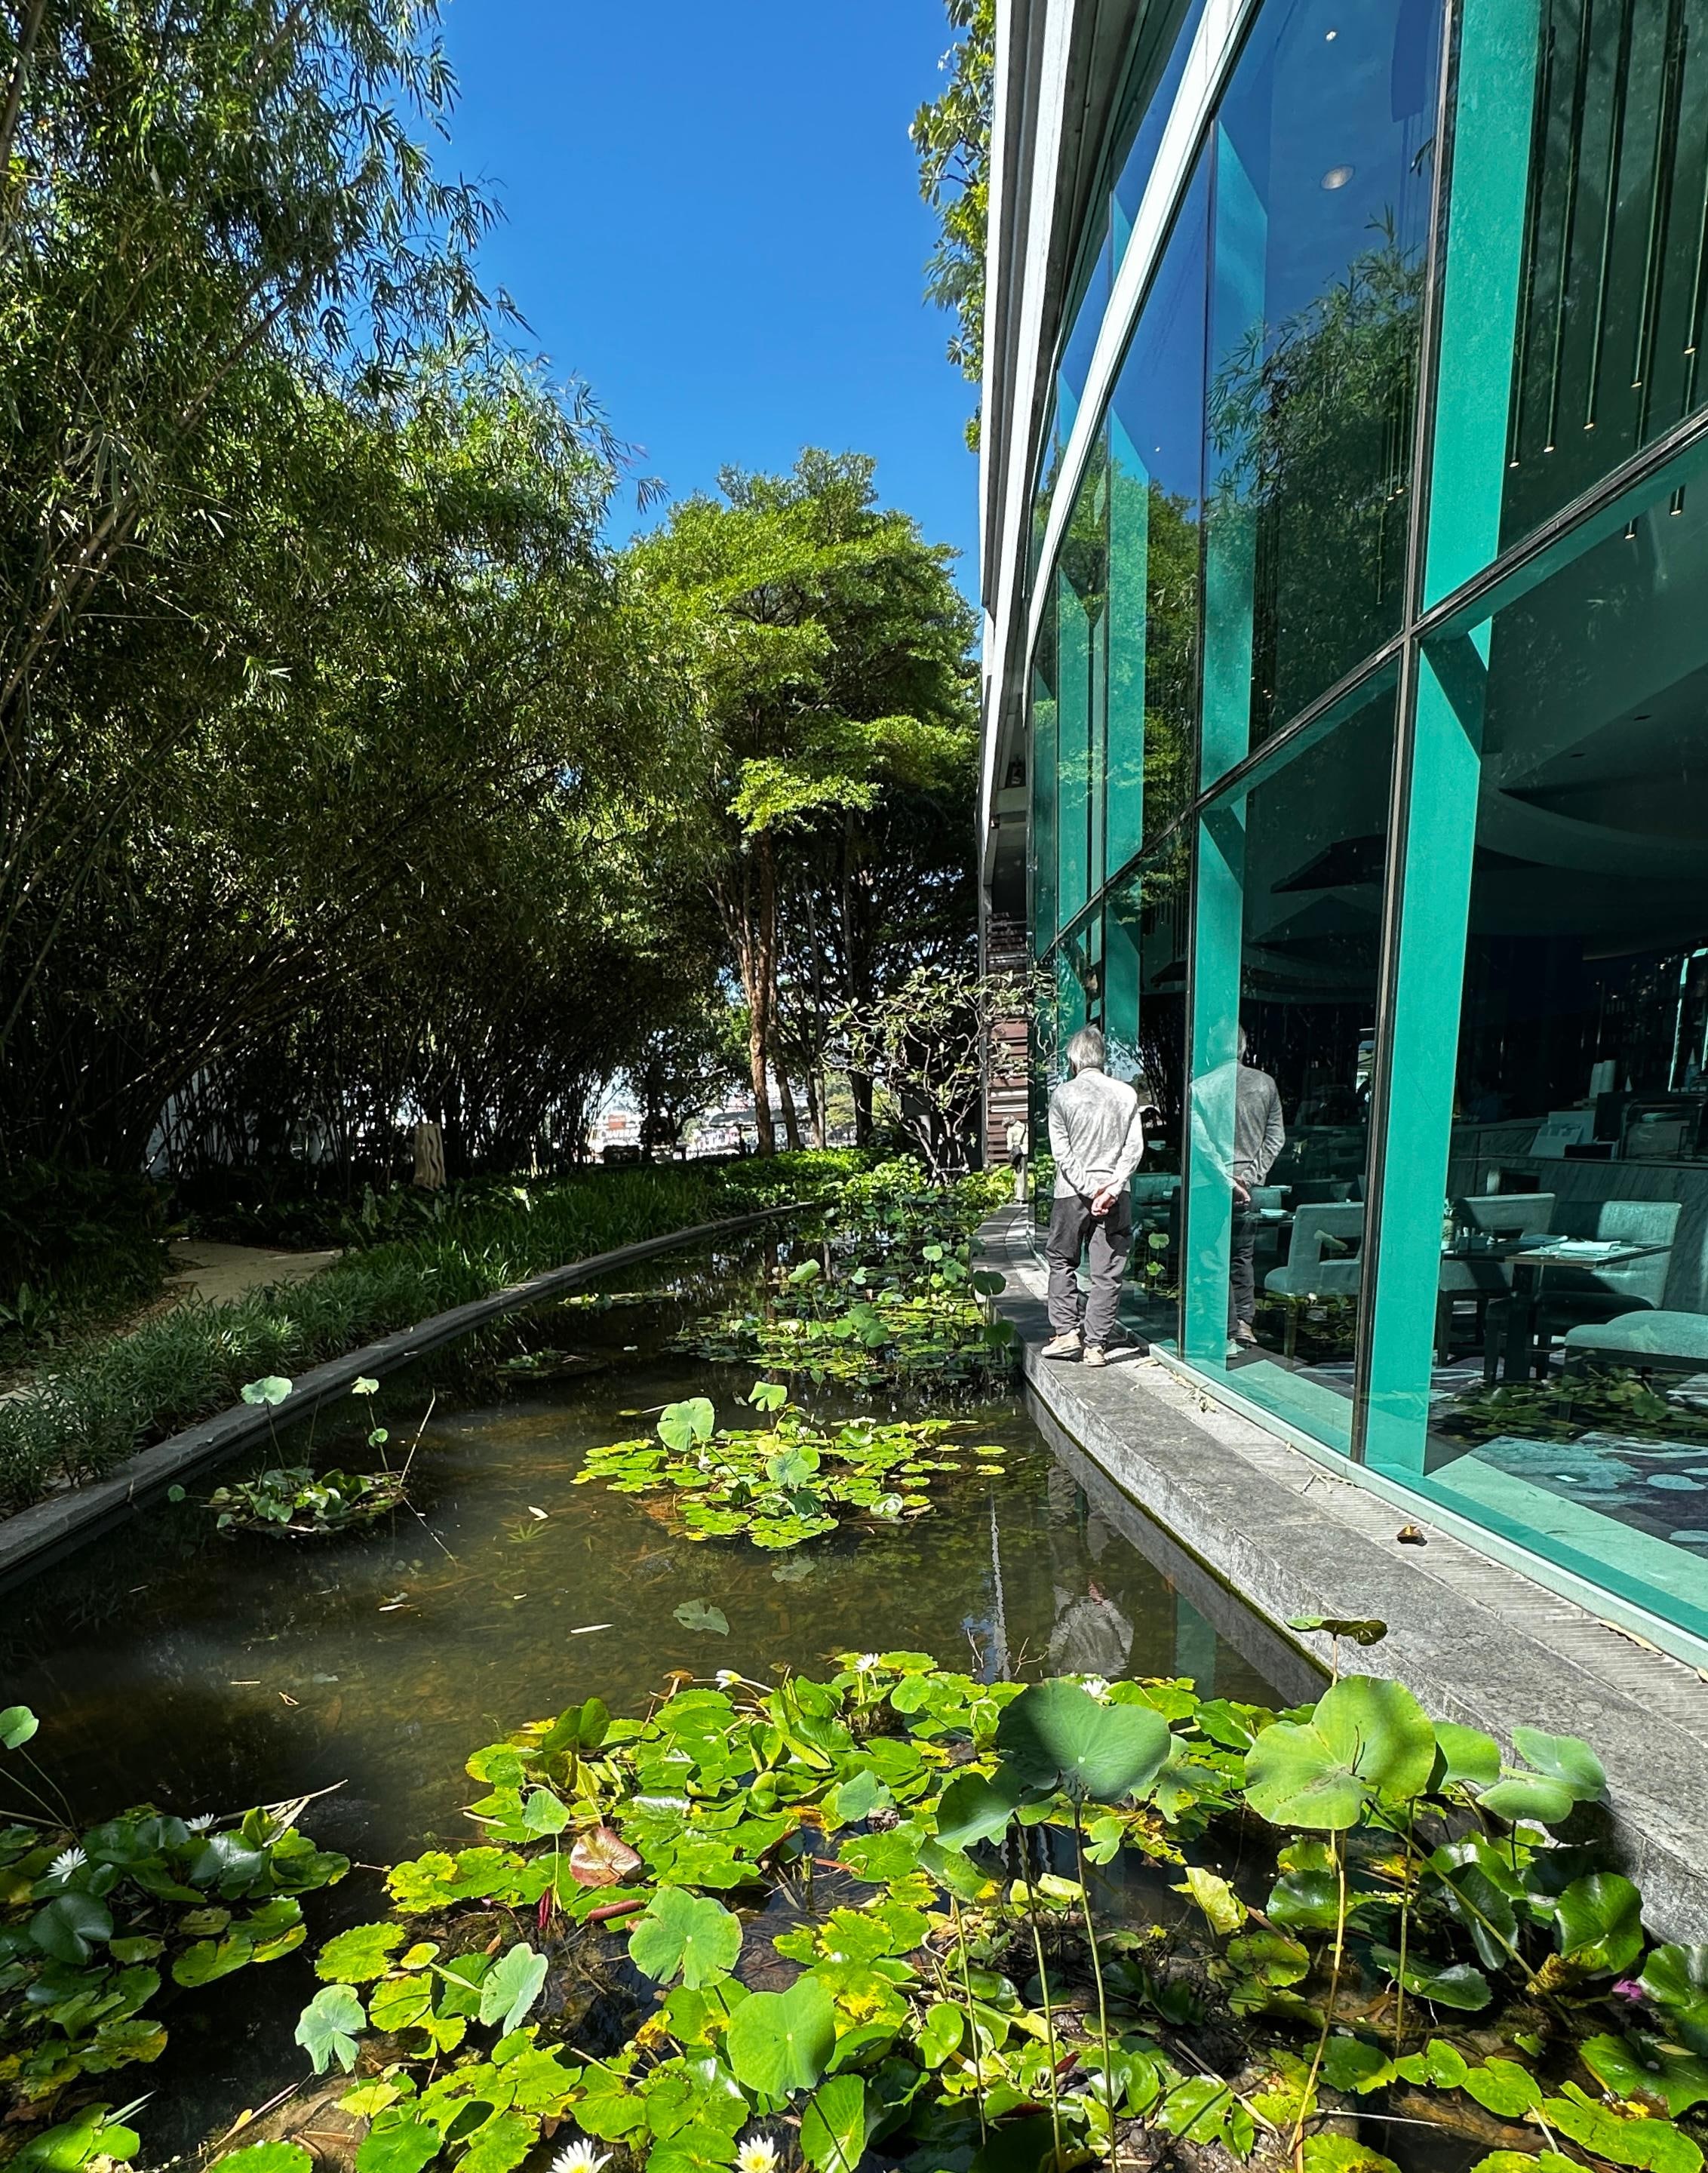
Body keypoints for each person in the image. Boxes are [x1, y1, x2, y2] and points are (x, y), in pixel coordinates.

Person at [1042, 1025, 1145, 1366]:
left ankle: (1067, 1333)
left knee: (1061, 1261)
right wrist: (1111, 1189)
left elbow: (1062, 1153)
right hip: (1117, 1195)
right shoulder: (1126, 1094)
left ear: (1073, 1059)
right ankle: (1096, 1346)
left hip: (1071, 1194)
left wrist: (1088, 1189)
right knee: (1107, 1272)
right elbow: (1134, 1149)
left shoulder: (1063, 1096)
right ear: (1103, 1058)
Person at [1230, 1025, 1286, 1349]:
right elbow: (1276, 1137)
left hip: (1214, 1183)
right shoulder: (1265, 1084)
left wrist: (1226, 1177)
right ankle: (1244, 1322)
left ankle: (1223, 1324)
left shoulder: (1204, 1088)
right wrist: (1251, 1175)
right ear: (1243, 1047)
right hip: (1250, 1186)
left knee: (1213, 1258)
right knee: (1242, 1256)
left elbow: (1199, 1143)